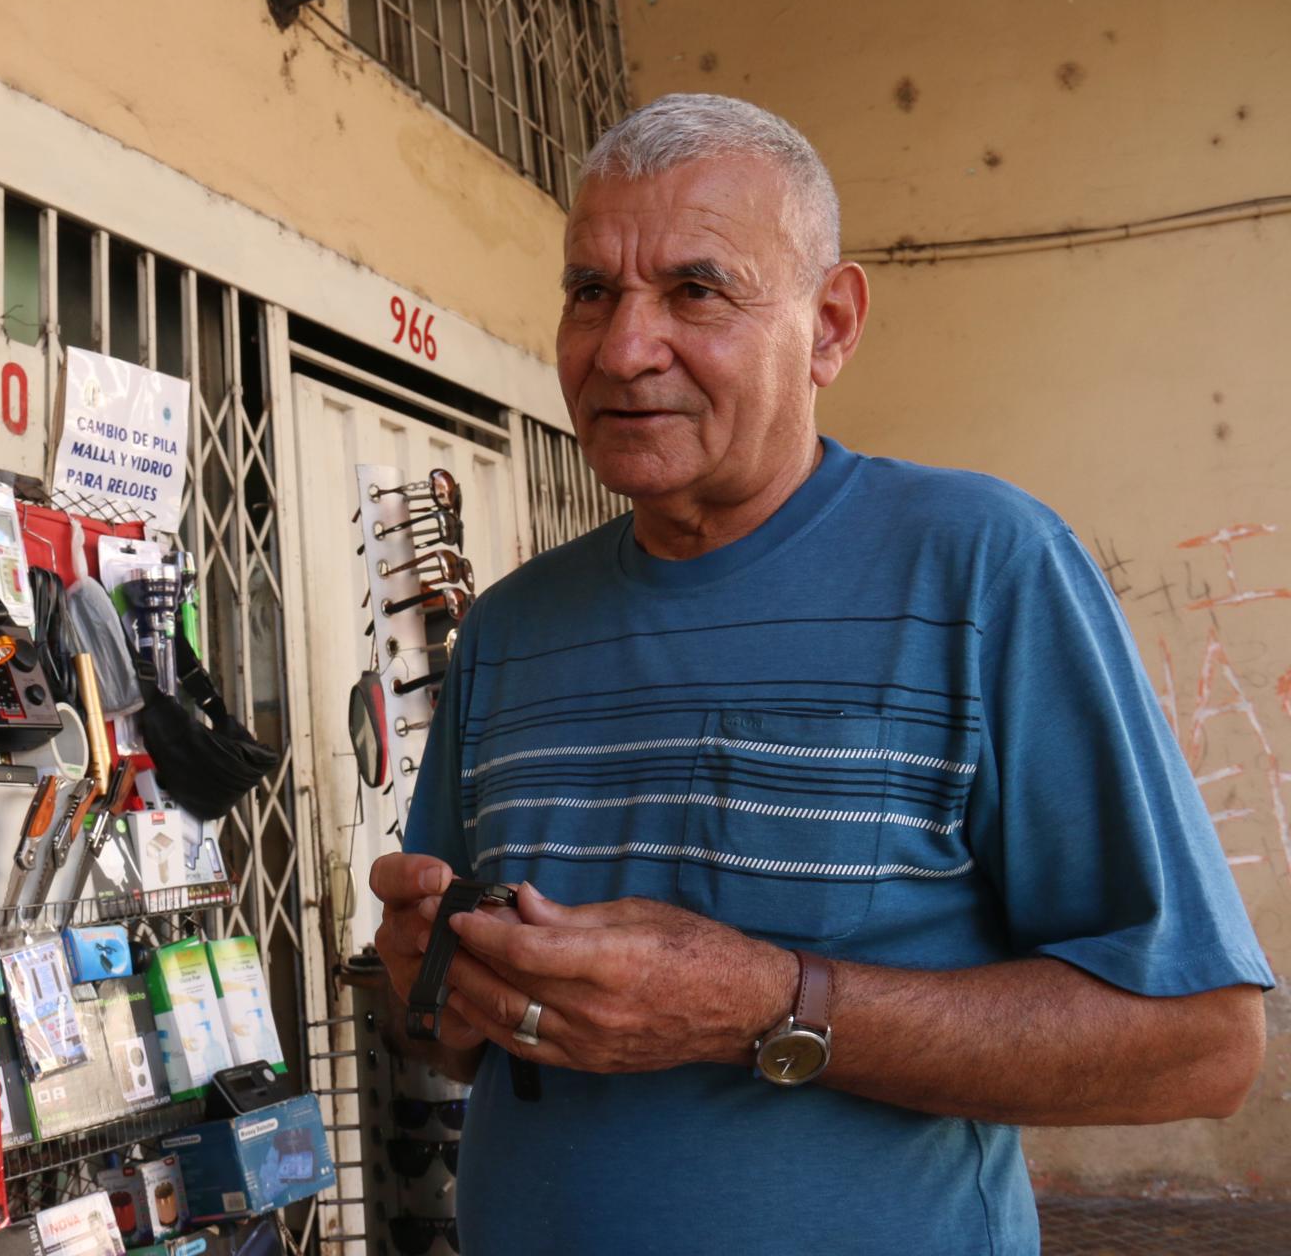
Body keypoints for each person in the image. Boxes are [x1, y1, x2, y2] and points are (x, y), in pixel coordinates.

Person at [370, 93, 1271, 1254]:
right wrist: (435, 978)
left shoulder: (983, 568)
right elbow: (450, 1036)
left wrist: (764, 1001)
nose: (622, 346)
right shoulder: (509, 628)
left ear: (831, 326)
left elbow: (1201, 1043)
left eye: (695, 290)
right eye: (591, 290)